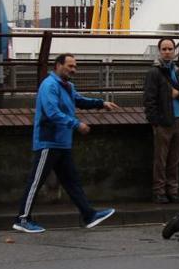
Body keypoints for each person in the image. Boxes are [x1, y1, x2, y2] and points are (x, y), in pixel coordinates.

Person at [13, 53, 119, 233]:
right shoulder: (49, 86)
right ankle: (22, 219)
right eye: (70, 66)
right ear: (58, 66)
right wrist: (76, 124)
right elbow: (52, 112)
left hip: (62, 142)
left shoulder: (67, 86)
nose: (73, 70)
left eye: (75, 66)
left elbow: (79, 100)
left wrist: (101, 103)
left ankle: (89, 215)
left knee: (72, 182)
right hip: (49, 141)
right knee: (36, 181)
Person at [143, 37, 179, 204]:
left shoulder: (177, 71)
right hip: (163, 121)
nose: (167, 52)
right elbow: (149, 99)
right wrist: (155, 122)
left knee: (174, 159)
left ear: (174, 51)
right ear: (159, 51)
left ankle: (172, 190)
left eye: (170, 49)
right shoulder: (154, 73)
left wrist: (178, 94)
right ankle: (159, 191)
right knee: (161, 159)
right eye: (164, 49)